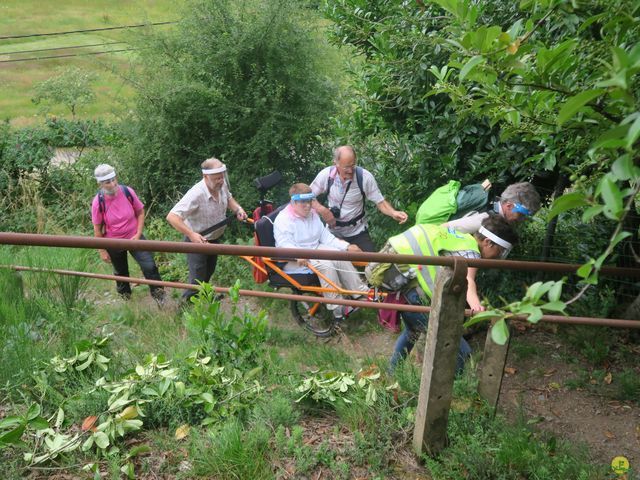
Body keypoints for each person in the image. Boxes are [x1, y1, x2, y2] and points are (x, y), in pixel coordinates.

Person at [366, 215, 519, 373]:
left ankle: (391, 373)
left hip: (407, 293)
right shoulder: (472, 252)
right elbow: (469, 280)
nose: (498, 257)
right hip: (415, 297)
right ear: (487, 242)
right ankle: (454, 389)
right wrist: (476, 306)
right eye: (500, 252)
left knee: (412, 332)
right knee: (461, 350)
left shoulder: (459, 238)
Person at [274, 183, 370, 321]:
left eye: (309, 201)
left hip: (314, 248)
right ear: (293, 202)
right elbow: (284, 245)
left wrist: (347, 246)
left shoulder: (312, 214)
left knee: (339, 255)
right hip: (293, 259)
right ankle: (337, 307)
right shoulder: (283, 220)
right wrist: (297, 255)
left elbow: (326, 237)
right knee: (326, 264)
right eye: (303, 202)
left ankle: (360, 293)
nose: (307, 206)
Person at [442, 181, 540, 311]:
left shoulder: (497, 220)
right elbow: (444, 227)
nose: (521, 220)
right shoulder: (483, 218)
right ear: (509, 206)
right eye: (521, 215)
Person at [166, 157, 248, 302]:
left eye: (222, 177)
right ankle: (185, 308)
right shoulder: (196, 194)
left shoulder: (221, 185)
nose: (221, 181)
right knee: (197, 278)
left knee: (208, 272)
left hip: (214, 239)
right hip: (197, 242)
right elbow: (172, 217)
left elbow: (229, 198)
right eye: (217, 178)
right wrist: (191, 234)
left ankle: (204, 298)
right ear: (206, 177)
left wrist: (238, 209)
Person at [310, 145, 408, 252]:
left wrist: (394, 213)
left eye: (353, 165)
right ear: (336, 164)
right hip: (333, 233)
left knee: (372, 263)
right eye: (346, 167)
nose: (350, 171)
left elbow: (380, 202)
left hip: (358, 232)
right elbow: (307, 196)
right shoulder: (326, 175)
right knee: (333, 262)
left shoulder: (364, 177)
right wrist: (323, 211)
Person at [91, 164, 165, 304]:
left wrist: (138, 234)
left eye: (114, 179)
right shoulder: (98, 202)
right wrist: (102, 250)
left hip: (134, 236)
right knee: (121, 272)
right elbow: (97, 229)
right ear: (100, 184)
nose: (113, 184)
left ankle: (159, 296)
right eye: (108, 182)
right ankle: (126, 299)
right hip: (113, 241)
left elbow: (140, 212)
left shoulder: (127, 191)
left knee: (149, 266)